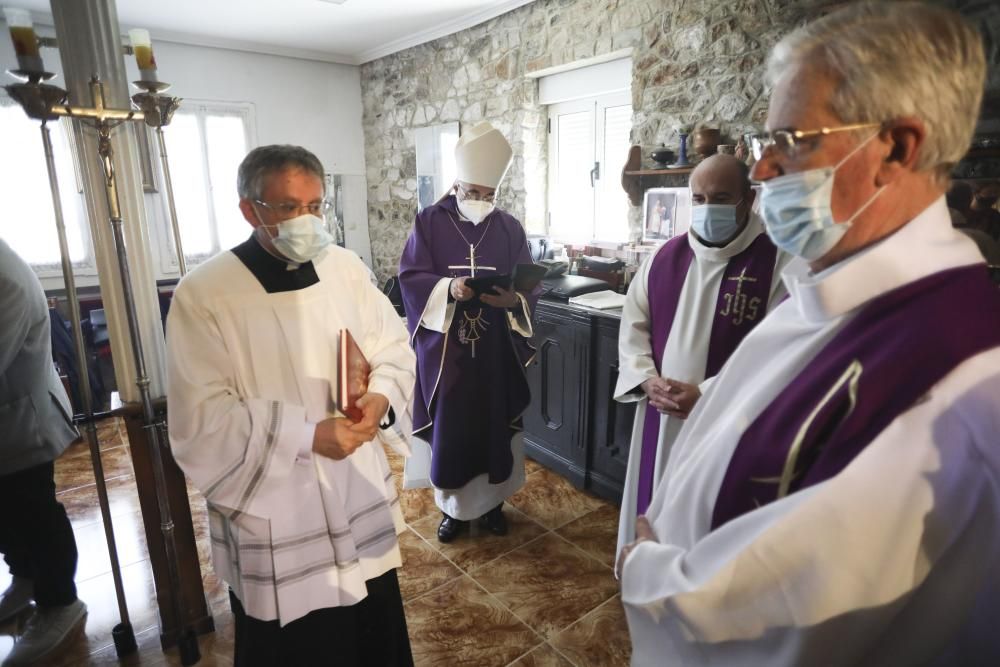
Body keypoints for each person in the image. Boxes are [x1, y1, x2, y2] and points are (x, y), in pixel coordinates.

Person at [618, 4, 1000, 665]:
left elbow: (804, 606)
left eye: (791, 140)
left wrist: (651, 573)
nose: (762, 173)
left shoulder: (951, 380)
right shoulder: (838, 292)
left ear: (897, 147)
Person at [166, 145, 416, 666]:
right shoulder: (205, 293)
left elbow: (391, 344)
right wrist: (306, 435)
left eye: (315, 205)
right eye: (287, 207)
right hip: (277, 503)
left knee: (372, 632)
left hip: (353, 485)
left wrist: (381, 394)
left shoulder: (344, 267)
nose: (305, 219)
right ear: (250, 209)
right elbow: (201, 417)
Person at [614, 154, 790, 556]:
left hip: (726, 417)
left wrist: (707, 394)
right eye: (699, 198)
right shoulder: (664, 257)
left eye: (720, 197)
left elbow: (778, 348)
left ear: (748, 198)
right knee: (654, 493)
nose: (707, 208)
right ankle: (645, 571)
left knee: (707, 519)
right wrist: (646, 378)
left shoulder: (778, 261)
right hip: (659, 412)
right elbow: (633, 323)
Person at [398, 121, 538, 543]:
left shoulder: (509, 227)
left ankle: (494, 505)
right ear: (457, 185)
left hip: (495, 349)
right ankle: (453, 512)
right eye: (474, 193)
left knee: (495, 423)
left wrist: (513, 301)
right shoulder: (429, 222)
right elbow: (410, 276)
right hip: (448, 353)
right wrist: (448, 288)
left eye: (489, 195)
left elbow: (530, 284)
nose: (481, 201)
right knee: (453, 430)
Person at [0, 239, 86, 666]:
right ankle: (26, 579)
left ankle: (60, 603)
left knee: (34, 511)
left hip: (24, 420)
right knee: (8, 512)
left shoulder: (6, 279)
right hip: (6, 422)